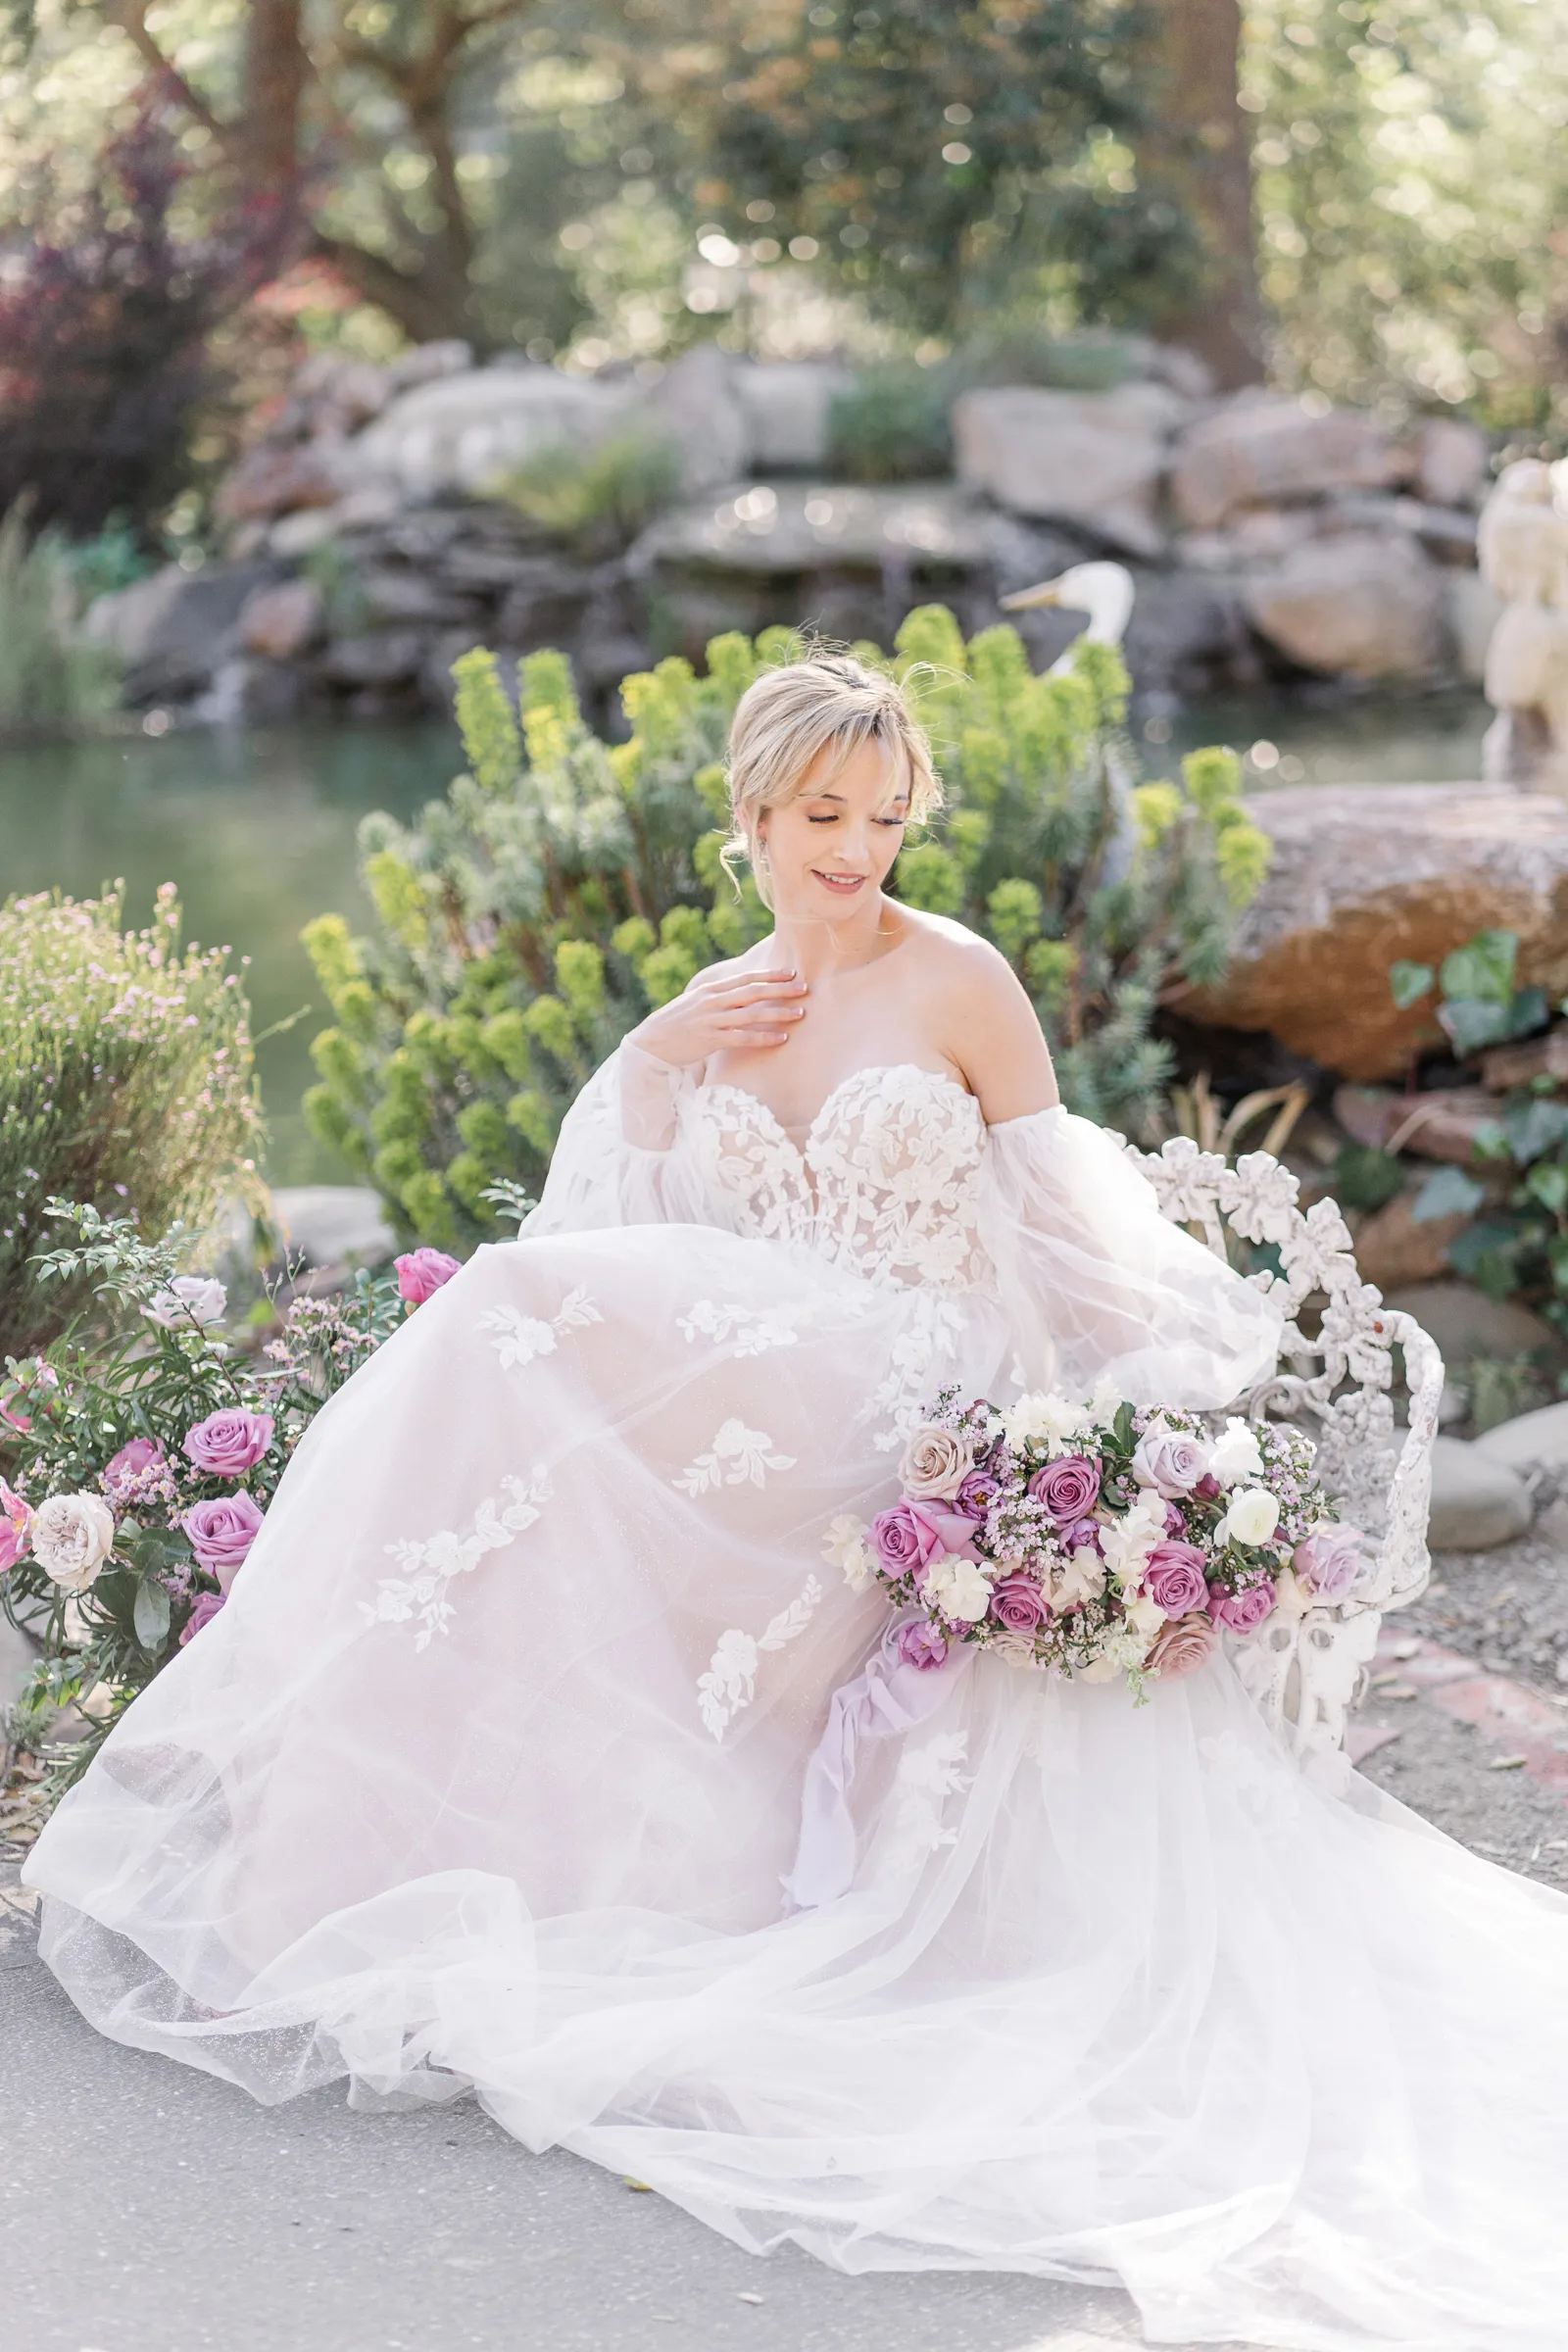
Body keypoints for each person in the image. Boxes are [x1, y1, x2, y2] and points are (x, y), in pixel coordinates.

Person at [24, 653, 1568, 2350]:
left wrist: (1122, 1449)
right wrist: (656, 1055)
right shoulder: (718, 999)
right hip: (764, 1377)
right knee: (503, 1340)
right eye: (824, 816)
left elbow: (1074, 1236)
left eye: (886, 817)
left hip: (909, 1387)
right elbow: (607, 1211)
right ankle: (347, 1844)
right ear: (752, 813)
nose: (857, 850)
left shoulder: (960, 981)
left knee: (513, 1327)